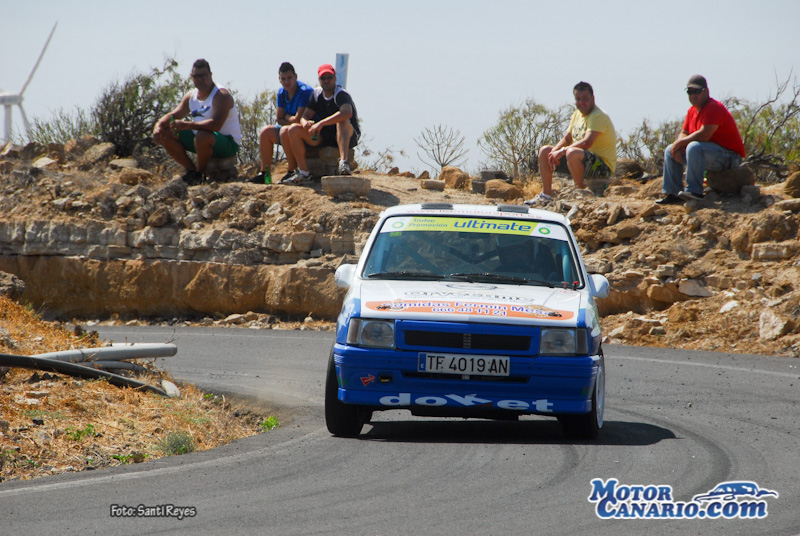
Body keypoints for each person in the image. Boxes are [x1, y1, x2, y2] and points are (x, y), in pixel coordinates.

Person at [656, 75, 745, 204]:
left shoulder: (714, 107)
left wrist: (681, 143)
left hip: (730, 157)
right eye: (690, 92)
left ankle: (694, 191)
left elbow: (704, 135)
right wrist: (678, 146)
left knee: (694, 147)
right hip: (708, 155)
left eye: (697, 91)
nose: (693, 95)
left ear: (706, 91)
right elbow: (684, 132)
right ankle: (673, 193)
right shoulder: (692, 111)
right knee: (671, 149)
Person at [153, 59, 242, 185]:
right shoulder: (191, 97)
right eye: (196, 76)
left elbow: (215, 125)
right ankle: (192, 171)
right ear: (192, 77)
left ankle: (200, 173)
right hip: (200, 140)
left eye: (203, 76)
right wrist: (158, 127)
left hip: (227, 143)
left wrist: (187, 125)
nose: (200, 80)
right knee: (165, 133)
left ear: (210, 75)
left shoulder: (221, 96)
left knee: (202, 135)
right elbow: (173, 115)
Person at [526, 81, 616, 206]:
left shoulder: (598, 116)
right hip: (578, 161)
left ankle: (579, 193)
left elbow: (587, 142)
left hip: (601, 168)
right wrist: (554, 152)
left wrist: (562, 151)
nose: (581, 102)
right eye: (578, 99)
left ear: (593, 98)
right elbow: (567, 139)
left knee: (572, 152)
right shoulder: (577, 114)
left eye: (585, 98)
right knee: (545, 151)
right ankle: (546, 195)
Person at [281, 64, 360, 184]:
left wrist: (321, 123)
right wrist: (305, 123)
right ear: (319, 80)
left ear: (335, 78)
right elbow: (305, 116)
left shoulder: (341, 94)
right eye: (323, 78)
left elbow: (346, 113)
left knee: (341, 121)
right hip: (325, 135)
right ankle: (304, 173)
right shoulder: (317, 94)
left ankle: (343, 163)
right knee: (293, 129)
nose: (326, 81)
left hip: (346, 135)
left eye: (329, 77)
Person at [249, 62, 314, 184]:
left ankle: (292, 170)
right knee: (265, 132)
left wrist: (287, 116)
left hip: (304, 133)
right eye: (283, 79)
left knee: (285, 130)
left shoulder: (305, 92)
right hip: (289, 129)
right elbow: (279, 118)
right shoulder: (281, 93)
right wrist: (290, 118)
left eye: (289, 78)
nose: (286, 82)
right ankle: (265, 174)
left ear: (295, 76)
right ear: (279, 79)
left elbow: (298, 120)